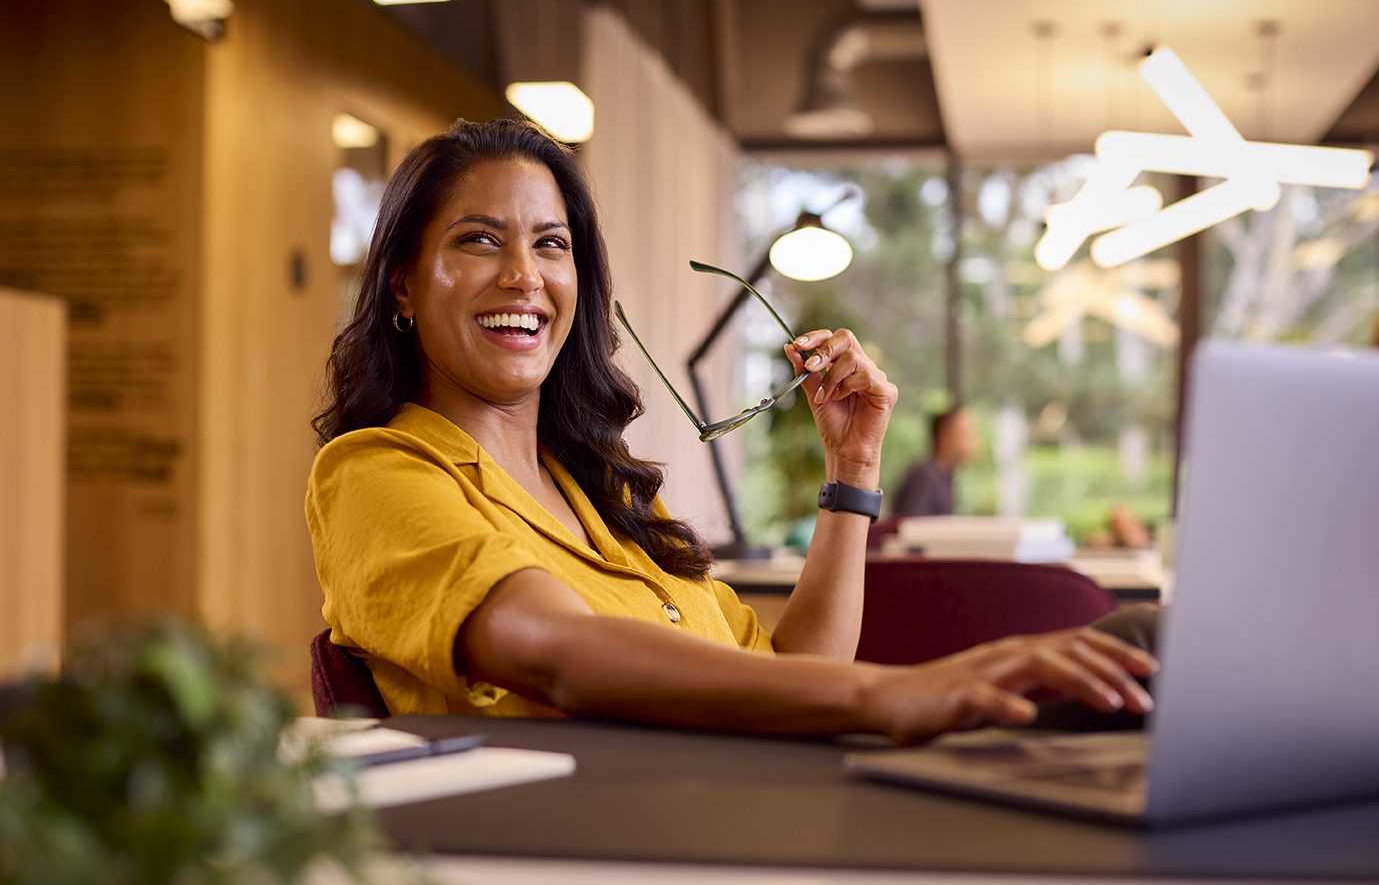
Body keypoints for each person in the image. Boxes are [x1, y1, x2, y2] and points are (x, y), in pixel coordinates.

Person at [306, 118, 1155, 743]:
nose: (524, 275)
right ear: (404, 285)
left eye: (552, 244)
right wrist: (885, 693)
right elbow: (558, 650)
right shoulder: (377, 474)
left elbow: (793, 677)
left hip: (742, 802)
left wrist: (850, 467)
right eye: (479, 240)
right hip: (614, 846)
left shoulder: (597, 501)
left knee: (1144, 657)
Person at [893, 406, 978, 516]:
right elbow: (913, 527)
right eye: (965, 434)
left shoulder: (945, 474)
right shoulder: (925, 477)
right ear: (944, 437)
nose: (974, 440)